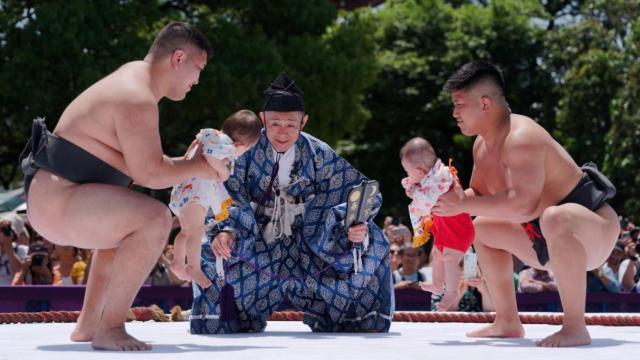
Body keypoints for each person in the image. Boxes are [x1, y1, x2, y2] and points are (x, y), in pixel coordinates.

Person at [20, 22, 216, 351]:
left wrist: (187, 165)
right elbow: (152, 174)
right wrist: (200, 168)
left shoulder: (132, 78)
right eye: (198, 68)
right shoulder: (135, 96)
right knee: (154, 218)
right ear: (178, 58)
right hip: (58, 201)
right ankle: (110, 327)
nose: (197, 80)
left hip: (61, 197)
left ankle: (89, 324)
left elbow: (140, 167)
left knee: (126, 222)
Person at [434, 60, 620, 347]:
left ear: (485, 103)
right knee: (482, 227)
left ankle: (575, 326)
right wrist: (440, 199)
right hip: (542, 237)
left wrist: (462, 204)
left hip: (592, 231)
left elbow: (523, 205)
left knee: (555, 217)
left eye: (459, 104)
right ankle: (507, 321)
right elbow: (478, 198)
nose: (454, 113)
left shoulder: (521, 136)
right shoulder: (482, 145)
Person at [190, 73, 393, 334]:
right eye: (275, 124)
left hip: (312, 242)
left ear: (303, 122)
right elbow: (226, 193)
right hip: (256, 240)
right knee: (211, 245)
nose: (282, 132)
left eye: (290, 124)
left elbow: (361, 191)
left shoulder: (319, 153)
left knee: (372, 241)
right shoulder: (241, 152)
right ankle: (227, 317)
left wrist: (353, 222)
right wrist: (226, 230)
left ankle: (352, 318)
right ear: (262, 120)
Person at [168, 110, 261, 288]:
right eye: (247, 149)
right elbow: (211, 155)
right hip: (195, 193)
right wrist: (223, 171)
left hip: (186, 192)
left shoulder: (211, 137)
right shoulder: (224, 143)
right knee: (196, 230)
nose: (242, 153)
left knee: (186, 231)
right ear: (240, 144)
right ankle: (193, 267)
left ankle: (178, 263)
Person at [400, 137, 474, 310]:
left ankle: (452, 291)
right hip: (445, 228)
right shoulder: (431, 176)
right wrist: (413, 188)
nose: (408, 176)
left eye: (408, 172)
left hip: (459, 230)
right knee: (438, 255)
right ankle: (438, 284)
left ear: (419, 170)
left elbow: (424, 202)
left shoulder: (441, 178)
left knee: (449, 259)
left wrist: (413, 193)